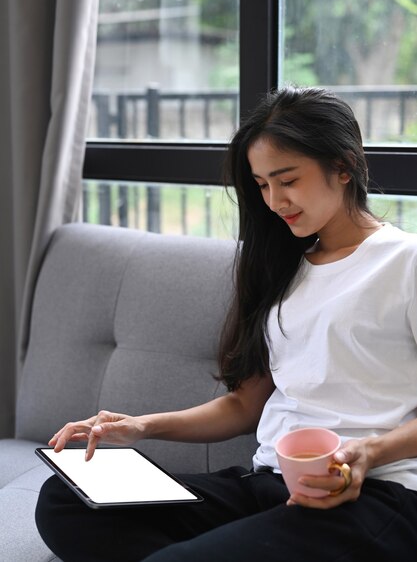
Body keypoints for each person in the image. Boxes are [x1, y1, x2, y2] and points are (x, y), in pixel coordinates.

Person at [35, 86, 417, 561]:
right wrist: (140, 426)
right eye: (261, 185)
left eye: (287, 179)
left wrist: (370, 453)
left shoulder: (405, 261)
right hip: (267, 484)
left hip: (372, 496)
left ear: (342, 166)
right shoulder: (285, 266)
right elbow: (244, 405)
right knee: (64, 500)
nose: (275, 201)